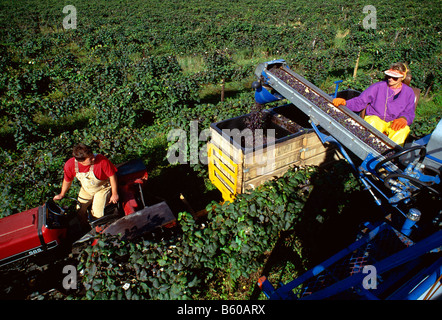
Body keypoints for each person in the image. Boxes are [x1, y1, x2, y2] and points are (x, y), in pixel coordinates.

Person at [333, 62, 416, 146]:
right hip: (376, 117)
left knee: (403, 129)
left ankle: (391, 154)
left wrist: (403, 118)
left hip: (393, 122)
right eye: (389, 76)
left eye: (395, 77)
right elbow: (361, 101)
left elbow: (409, 111)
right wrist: (345, 103)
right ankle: (370, 149)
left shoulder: (409, 92)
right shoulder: (378, 86)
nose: (390, 79)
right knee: (373, 122)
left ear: (402, 77)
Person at [53, 143, 119, 222]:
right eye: (90, 159)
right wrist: (62, 194)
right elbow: (67, 180)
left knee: (97, 213)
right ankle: (84, 227)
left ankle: (98, 229)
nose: (93, 159)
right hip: (86, 189)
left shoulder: (102, 161)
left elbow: (112, 176)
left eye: (92, 156)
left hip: (102, 188)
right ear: (80, 161)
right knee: (79, 209)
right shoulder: (70, 165)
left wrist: (114, 193)